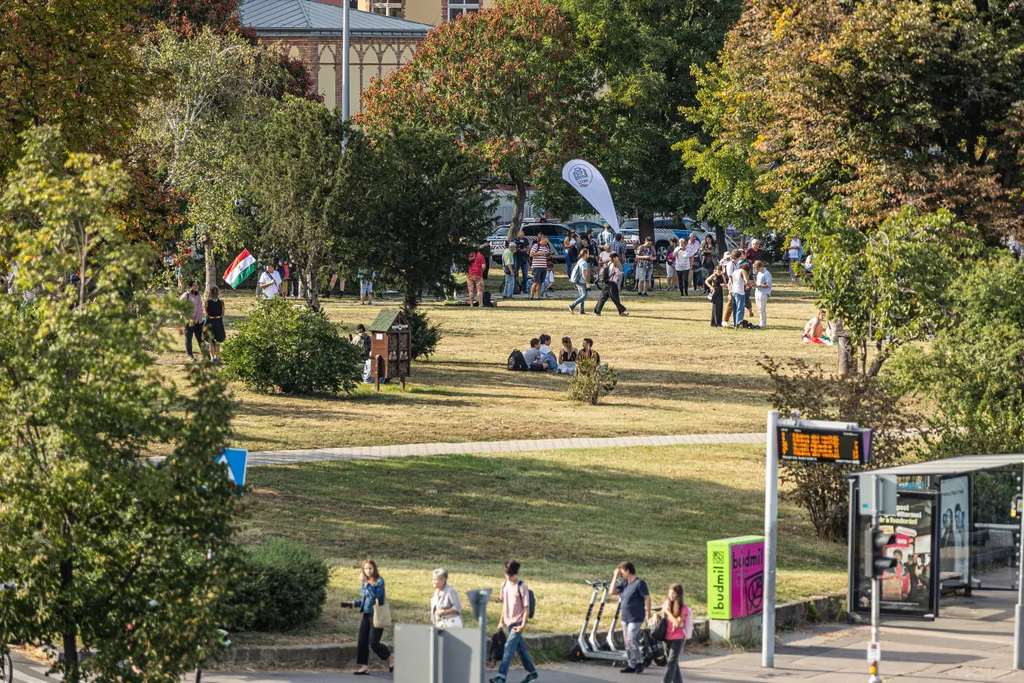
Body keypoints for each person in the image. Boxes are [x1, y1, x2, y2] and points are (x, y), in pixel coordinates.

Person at [341, 559, 394, 675]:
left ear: (374, 569)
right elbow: (364, 600)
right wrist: (353, 603)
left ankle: (389, 657)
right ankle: (364, 666)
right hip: (366, 614)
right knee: (362, 641)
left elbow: (377, 596)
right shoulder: (365, 583)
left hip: (376, 614)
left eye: (370, 568)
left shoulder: (379, 581)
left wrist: (367, 584)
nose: (368, 571)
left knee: (373, 643)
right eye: (365, 568)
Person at [491, 560, 538, 683]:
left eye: (511, 575)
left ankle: (501, 677)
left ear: (515, 573)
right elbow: (505, 605)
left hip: (517, 623)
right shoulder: (504, 585)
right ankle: (533, 673)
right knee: (521, 650)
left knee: (508, 648)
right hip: (508, 622)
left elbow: (526, 608)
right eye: (507, 574)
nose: (509, 577)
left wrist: (522, 625)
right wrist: (501, 621)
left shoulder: (522, 586)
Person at [610, 561, 650, 674]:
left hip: (636, 617)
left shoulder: (639, 583)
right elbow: (612, 591)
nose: (621, 574)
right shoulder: (624, 583)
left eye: (622, 572)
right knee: (627, 642)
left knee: (630, 640)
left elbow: (647, 598)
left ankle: (640, 661)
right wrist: (615, 576)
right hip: (625, 617)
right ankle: (631, 665)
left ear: (628, 571)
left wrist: (648, 613)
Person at [660, 584, 690, 683]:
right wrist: (656, 615)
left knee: (671, 663)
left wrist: (668, 612)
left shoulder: (683, 607)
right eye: (669, 593)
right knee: (673, 663)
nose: (671, 595)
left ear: (678, 594)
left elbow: (677, 623)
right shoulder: (666, 604)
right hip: (666, 637)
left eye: (673, 593)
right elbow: (661, 613)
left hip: (677, 638)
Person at [594, 252, 628, 316]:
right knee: (615, 298)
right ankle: (621, 312)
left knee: (602, 298)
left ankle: (597, 311)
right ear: (614, 258)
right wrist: (621, 273)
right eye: (616, 257)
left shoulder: (608, 264)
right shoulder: (613, 265)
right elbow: (617, 273)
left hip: (607, 283)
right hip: (612, 284)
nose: (617, 258)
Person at [179, 281, 205, 361]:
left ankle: (206, 354)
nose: (196, 286)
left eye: (197, 285)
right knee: (189, 338)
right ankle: (190, 355)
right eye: (194, 285)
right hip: (189, 321)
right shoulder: (185, 295)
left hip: (198, 321)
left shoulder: (198, 295)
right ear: (190, 287)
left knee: (200, 338)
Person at [204, 286, 226, 363]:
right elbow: (223, 313)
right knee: (217, 341)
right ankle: (217, 357)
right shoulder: (221, 302)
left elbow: (206, 312)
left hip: (210, 321)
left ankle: (212, 358)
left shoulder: (207, 302)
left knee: (211, 341)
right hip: (218, 321)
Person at [569, 248, 591, 315]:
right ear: (585, 254)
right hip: (581, 281)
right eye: (588, 254)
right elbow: (584, 273)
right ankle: (572, 305)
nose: (589, 255)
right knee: (584, 295)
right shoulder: (584, 263)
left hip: (577, 280)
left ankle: (581, 310)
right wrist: (587, 283)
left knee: (582, 295)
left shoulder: (579, 261)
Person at [528, 236, 551, 301]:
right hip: (536, 266)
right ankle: (531, 296)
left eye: (547, 242)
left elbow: (547, 256)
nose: (546, 243)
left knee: (541, 282)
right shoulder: (536, 245)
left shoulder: (546, 247)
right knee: (536, 282)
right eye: (545, 242)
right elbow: (531, 254)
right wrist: (539, 253)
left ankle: (538, 296)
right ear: (542, 240)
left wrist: (549, 255)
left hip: (543, 266)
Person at [753, 260, 773, 328]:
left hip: (763, 293)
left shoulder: (766, 273)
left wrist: (759, 286)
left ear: (761, 266)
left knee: (762, 309)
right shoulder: (759, 273)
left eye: (758, 268)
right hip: (757, 292)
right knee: (759, 309)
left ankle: (763, 324)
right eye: (756, 269)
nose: (757, 270)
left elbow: (768, 285)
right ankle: (761, 323)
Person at [730, 262, 750, 328]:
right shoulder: (743, 271)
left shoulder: (735, 272)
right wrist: (749, 283)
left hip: (733, 291)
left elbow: (735, 282)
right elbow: (746, 281)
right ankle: (739, 323)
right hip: (740, 292)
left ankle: (735, 324)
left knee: (735, 309)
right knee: (740, 309)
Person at [515, 229, 530, 294]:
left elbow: (529, 248)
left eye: (522, 234)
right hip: (517, 258)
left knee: (525, 274)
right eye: (520, 235)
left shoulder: (526, 240)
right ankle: (516, 288)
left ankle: (525, 289)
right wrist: (517, 249)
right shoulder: (515, 240)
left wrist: (524, 249)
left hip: (524, 258)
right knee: (515, 274)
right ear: (518, 234)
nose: (521, 236)